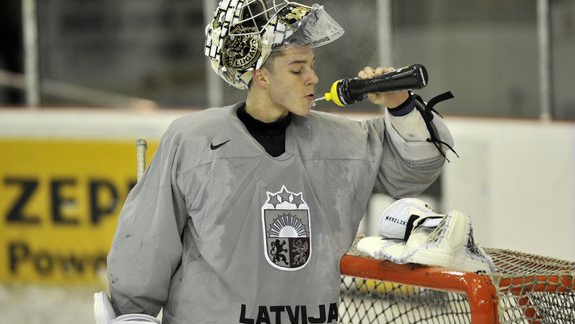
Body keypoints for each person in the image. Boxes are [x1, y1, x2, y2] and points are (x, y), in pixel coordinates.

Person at [106, 0, 455, 323]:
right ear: (260, 75)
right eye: (297, 69)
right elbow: (147, 246)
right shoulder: (194, 141)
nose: (313, 78)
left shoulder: (340, 140)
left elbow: (414, 168)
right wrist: (133, 315)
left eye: (312, 66)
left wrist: (400, 105)